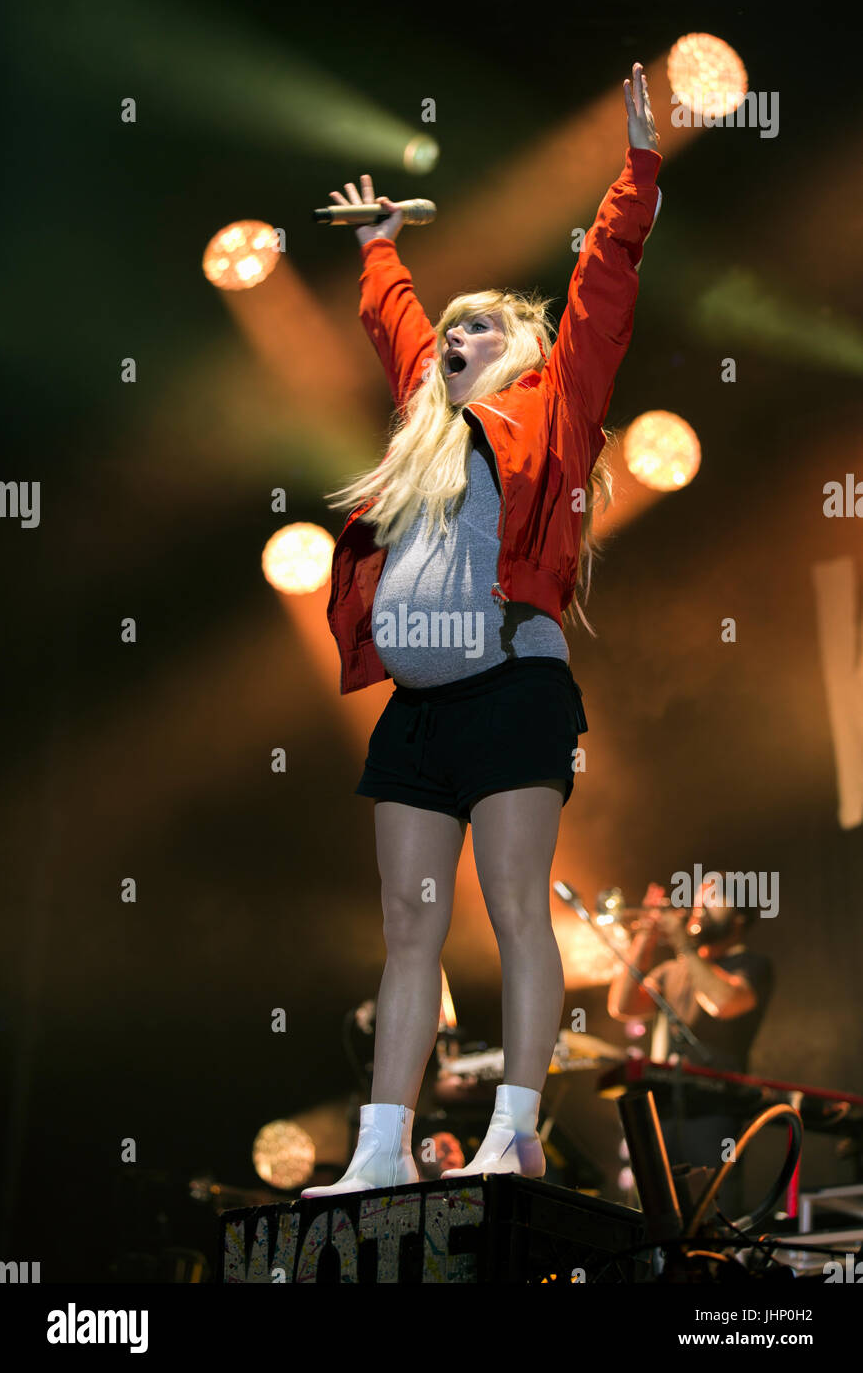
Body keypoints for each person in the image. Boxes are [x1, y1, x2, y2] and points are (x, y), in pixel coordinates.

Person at [302, 64, 663, 1197]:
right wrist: (377, 247)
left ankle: (514, 1130)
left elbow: (601, 282)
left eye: (476, 328)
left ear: (513, 345)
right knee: (405, 929)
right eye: (449, 329)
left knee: (513, 909)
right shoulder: (428, 417)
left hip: (512, 689)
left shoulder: (552, 400)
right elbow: (396, 326)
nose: (451, 337)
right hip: (419, 710)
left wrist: (636, 172)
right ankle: (379, 1147)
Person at [607, 876, 775, 1214]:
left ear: (739, 916)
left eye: (712, 900)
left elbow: (724, 1002)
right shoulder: (672, 970)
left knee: (711, 1214)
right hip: (662, 1108)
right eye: (699, 899)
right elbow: (623, 1006)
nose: (699, 906)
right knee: (655, 1215)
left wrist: (683, 943)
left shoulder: (752, 966)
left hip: (714, 1109)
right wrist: (645, 936)